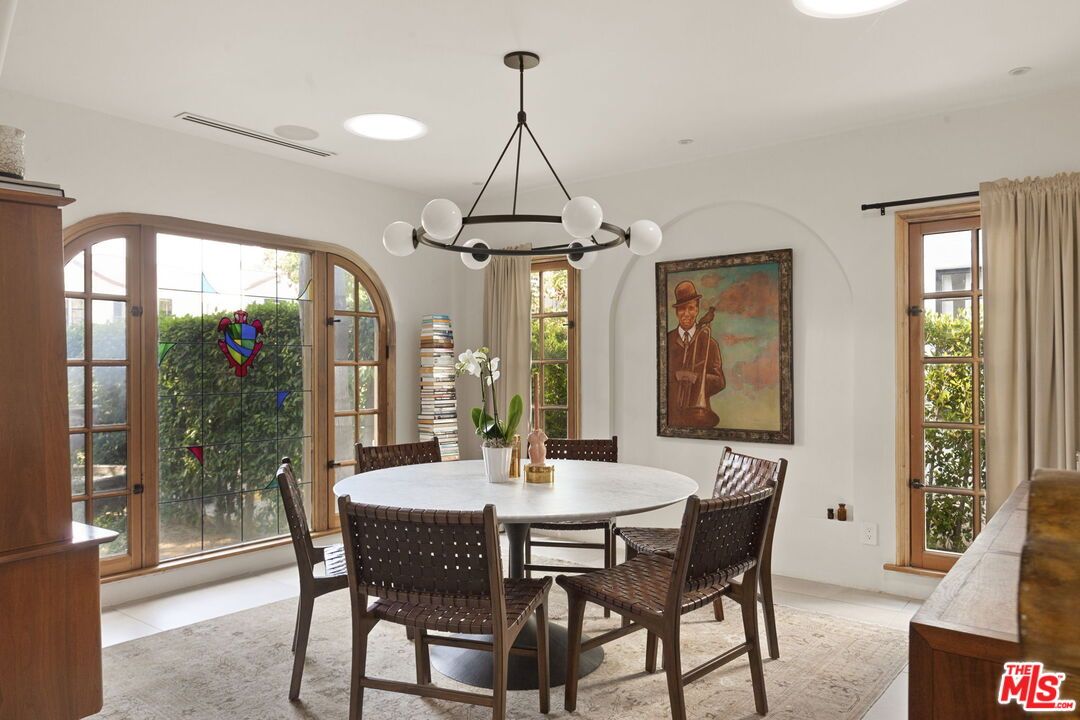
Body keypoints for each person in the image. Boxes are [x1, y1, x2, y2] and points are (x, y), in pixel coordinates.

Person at [667, 280, 725, 427]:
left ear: (697, 310)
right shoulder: (666, 341)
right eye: (681, 309)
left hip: (698, 417)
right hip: (671, 417)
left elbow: (720, 382)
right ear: (676, 312)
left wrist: (695, 378)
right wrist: (676, 376)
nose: (686, 314)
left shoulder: (710, 344)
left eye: (691, 308)